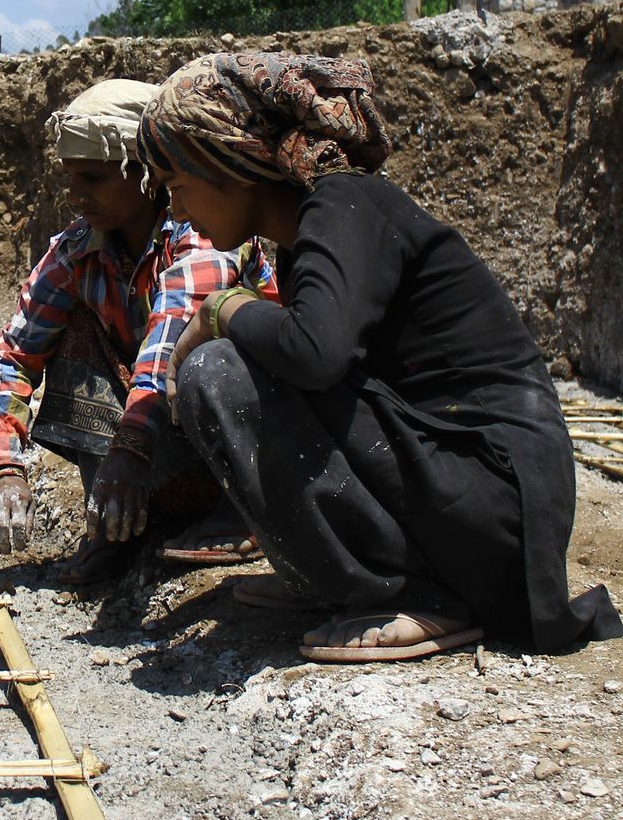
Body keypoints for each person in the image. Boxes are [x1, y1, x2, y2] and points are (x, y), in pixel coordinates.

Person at [135, 50, 620, 663]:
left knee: (219, 372)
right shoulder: (318, 228)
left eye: (179, 186)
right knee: (241, 364)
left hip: (495, 502)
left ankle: (417, 594)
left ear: (230, 163)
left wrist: (219, 309)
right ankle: (342, 579)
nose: (177, 211)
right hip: (470, 496)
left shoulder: (342, 206)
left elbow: (313, 353)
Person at [0, 78, 273, 587]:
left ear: (144, 176)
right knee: (74, 333)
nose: (75, 197)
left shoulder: (205, 231)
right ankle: (118, 525)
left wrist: (131, 448)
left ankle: (246, 510)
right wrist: (4, 468)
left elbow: (170, 333)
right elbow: (14, 355)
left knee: (205, 358)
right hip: (161, 435)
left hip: (252, 435)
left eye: (91, 179)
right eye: (70, 180)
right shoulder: (77, 251)